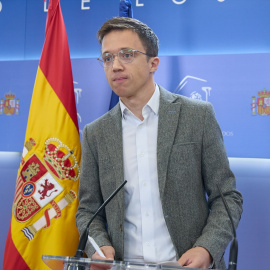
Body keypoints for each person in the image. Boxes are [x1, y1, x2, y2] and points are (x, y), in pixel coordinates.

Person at [76, 17, 243, 269]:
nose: (116, 66)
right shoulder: (95, 133)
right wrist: (99, 245)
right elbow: (88, 210)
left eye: (127, 55)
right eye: (108, 58)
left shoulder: (197, 116)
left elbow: (227, 197)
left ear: (153, 63)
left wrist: (206, 248)